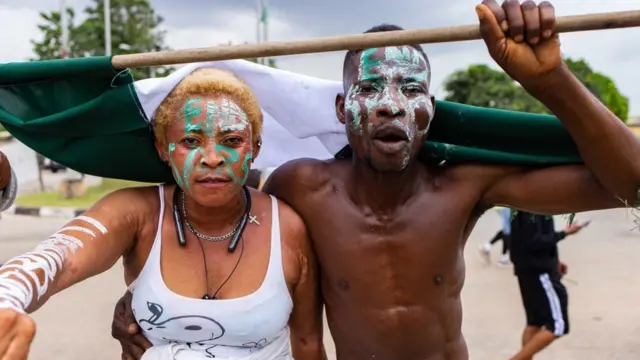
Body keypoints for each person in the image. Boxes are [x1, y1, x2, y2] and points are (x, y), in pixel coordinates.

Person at [113, 1, 640, 359]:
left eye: (410, 88)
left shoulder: (464, 185)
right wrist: (152, 307)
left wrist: (550, 78)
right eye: (370, 87)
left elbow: (631, 185)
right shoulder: (301, 188)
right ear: (343, 109)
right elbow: (207, 209)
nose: (390, 104)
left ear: (429, 112)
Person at [0, 68, 325, 360]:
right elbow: (61, 257)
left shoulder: (287, 227)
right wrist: (8, 299)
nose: (212, 157)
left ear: (254, 148)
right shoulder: (139, 213)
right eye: (190, 140)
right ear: (161, 148)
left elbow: (308, 344)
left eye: (231, 140)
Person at [508, 211, 587, 360]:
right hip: (539, 271)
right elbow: (534, 241)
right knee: (558, 326)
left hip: (530, 268)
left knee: (535, 322)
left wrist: (554, 260)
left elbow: (529, 239)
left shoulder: (528, 202)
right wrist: (565, 233)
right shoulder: (532, 205)